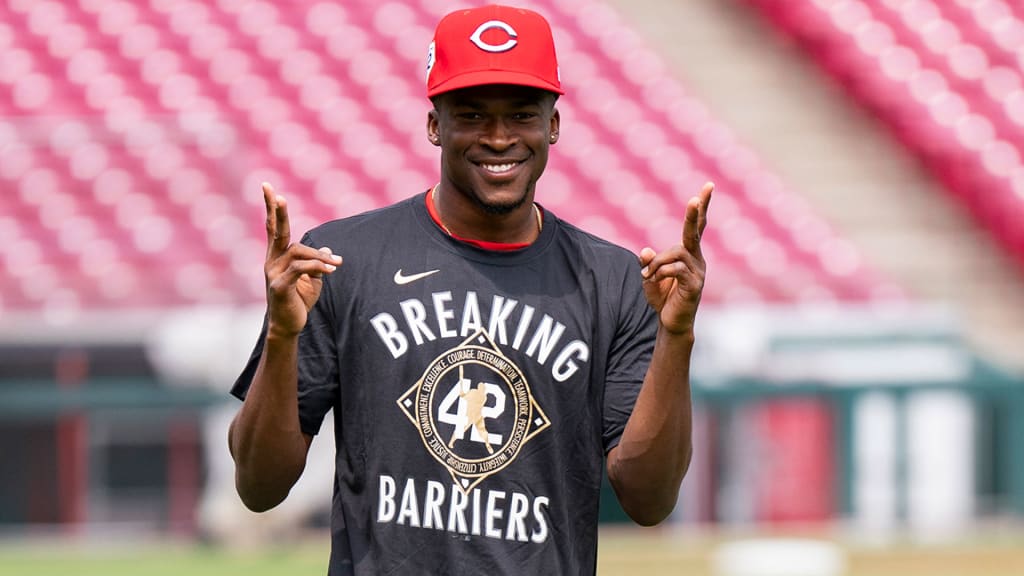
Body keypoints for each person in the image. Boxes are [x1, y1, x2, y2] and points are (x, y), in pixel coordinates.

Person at [228, 4, 712, 574]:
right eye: (474, 114)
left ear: (553, 124)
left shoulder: (615, 282)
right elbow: (259, 488)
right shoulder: (341, 261)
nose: (500, 137)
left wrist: (677, 336)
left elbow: (649, 501)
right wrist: (284, 336)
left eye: (523, 115)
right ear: (436, 124)